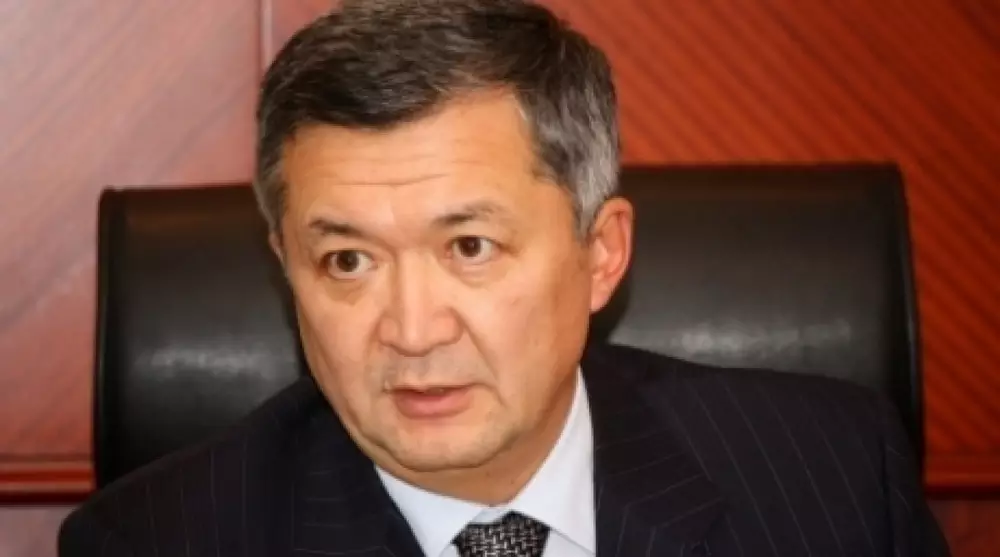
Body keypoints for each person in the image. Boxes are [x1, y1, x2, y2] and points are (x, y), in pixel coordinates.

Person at [59, 1, 949, 555]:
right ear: (286, 267)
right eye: (348, 261)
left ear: (601, 254)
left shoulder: (833, 478)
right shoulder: (153, 542)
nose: (413, 331)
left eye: (470, 246)